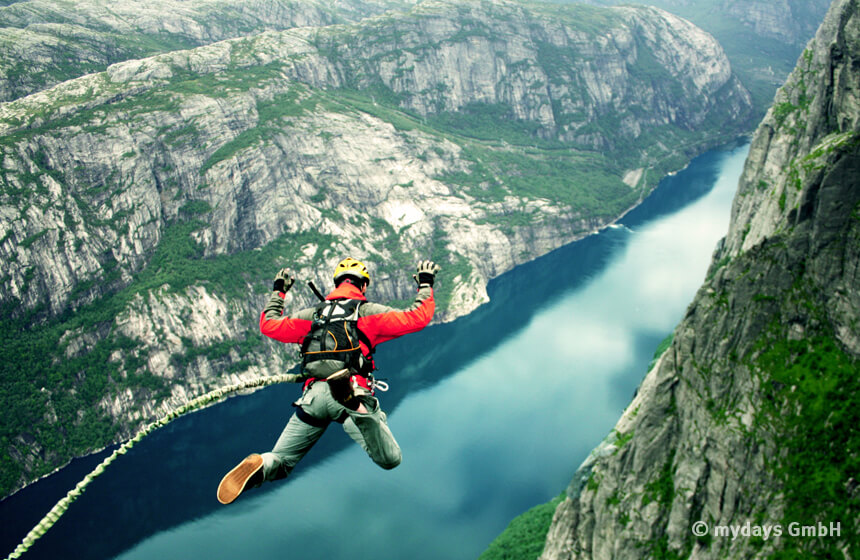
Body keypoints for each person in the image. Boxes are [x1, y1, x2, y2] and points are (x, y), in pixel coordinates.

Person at [217, 257, 440, 504]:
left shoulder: (311, 316)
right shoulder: (367, 314)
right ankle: (354, 404)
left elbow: (269, 325)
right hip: (350, 395)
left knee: (281, 461)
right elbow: (417, 317)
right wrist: (425, 284)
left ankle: (262, 465)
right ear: (363, 286)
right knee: (390, 458)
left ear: (336, 284)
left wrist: (279, 292)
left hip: (312, 398)